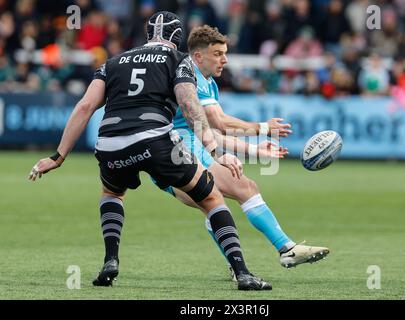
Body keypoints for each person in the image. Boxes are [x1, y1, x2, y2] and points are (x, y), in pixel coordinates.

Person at [27, 11, 271, 291]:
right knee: (211, 197)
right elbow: (190, 107)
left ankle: (110, 260)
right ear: (177, 37)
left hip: (109, 142)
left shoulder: (114, 61)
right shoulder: (179, 60)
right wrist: (217, 152)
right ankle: (243, 273)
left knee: (112, 193)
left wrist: (57, 156)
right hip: (155, 139)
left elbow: (84, 107)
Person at [153, 25, 330, 280]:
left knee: (214, 205)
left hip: (174, 153)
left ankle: (239, 269)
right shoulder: (191, 74)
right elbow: (219, 121)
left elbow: (212, 134)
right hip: (178, 150)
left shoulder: (208, 84)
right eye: (217, 53)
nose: (224, 59)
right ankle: (286, 248)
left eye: (225, 53)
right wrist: (263, 127)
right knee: (244, 188)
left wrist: (254, 149)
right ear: (198, 55)